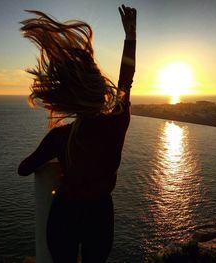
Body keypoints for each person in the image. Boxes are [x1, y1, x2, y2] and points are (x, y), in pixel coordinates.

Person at [18, 4, 136, 263]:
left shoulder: (60, 137)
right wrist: (130, 37)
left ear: (69, 98)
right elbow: (125, 83)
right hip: (100, 214)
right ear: (98, 91)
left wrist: (58, 162)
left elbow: (24, 168)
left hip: (65, 213)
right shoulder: (115, 124)